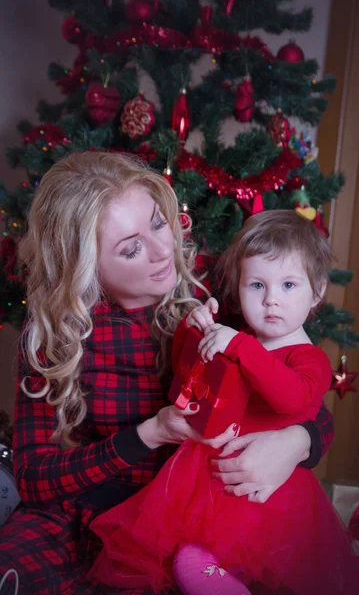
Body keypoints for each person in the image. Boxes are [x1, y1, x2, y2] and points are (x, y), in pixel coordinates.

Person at [0, 153, 335, 595]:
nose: (164, 251)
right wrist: (148, 435)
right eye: (131, 248)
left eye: (159, 224)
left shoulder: (221, 299)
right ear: (83, 265)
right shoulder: (54, 336)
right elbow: (34, 477)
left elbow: (305, 395)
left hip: (191, 517)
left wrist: (297, 442)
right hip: (80, 515)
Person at [88, 210, 359, 595]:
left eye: (288, 285)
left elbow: (292, 398)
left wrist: (239, 345)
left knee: (300, 578)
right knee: (191, 560)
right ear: (239, 288)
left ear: (316, 292)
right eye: (256, 286)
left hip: (272, 496)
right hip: (209, 484)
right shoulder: (240, 337)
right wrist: (192, 329)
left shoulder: (307, 357)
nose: (271, 302)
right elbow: (191, 378)